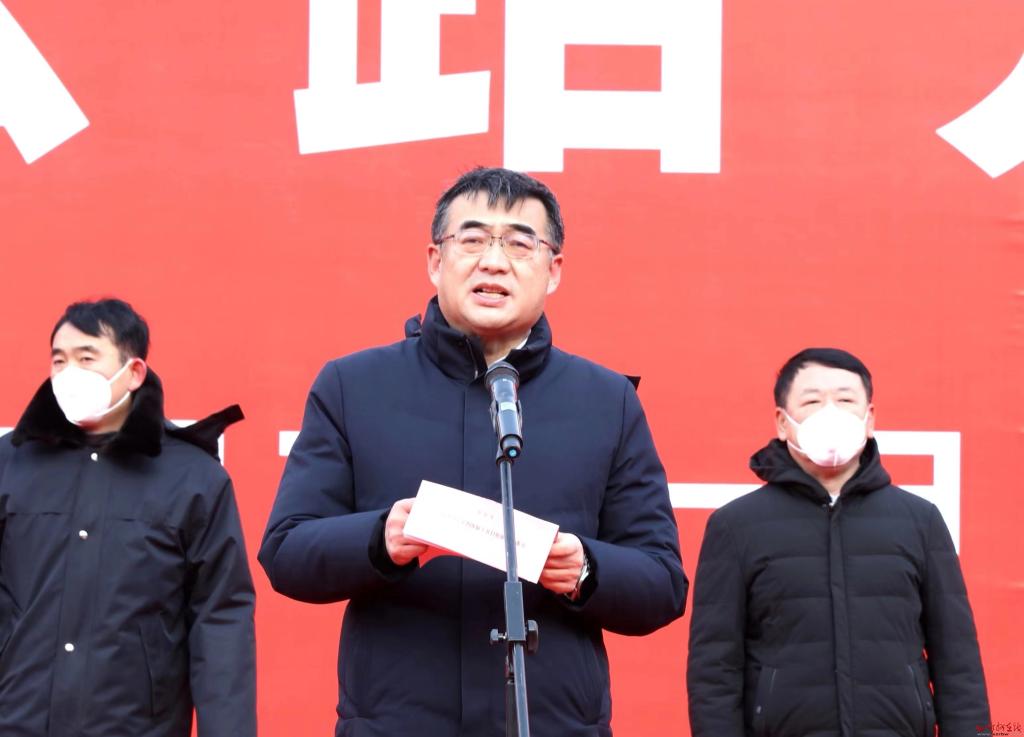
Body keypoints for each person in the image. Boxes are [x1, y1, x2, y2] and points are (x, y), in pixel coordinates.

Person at [259, 167, 687, 736]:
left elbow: (662, 583)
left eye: (520, 244)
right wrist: (381, 539)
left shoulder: (606, 401)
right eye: (473, 239)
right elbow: (287, 551)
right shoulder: (353, 386)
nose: (494, 261)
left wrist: (584, 568)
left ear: (553, 270)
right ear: (435, 261)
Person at [687, 347, 989, 737]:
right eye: (812, 401)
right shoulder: (735, 526)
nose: (830, 413)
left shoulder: (920, 520)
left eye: (845, 400)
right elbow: (714, 670)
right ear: (782, 423)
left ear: (869, 418)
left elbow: (958, 660)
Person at [0, 298, 256, 737]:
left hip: (136, 725)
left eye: (86, 358)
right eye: (59, 361)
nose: (69, 373)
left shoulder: (193, 478)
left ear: (134, 372)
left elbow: (221, 619)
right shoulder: (11, 462)